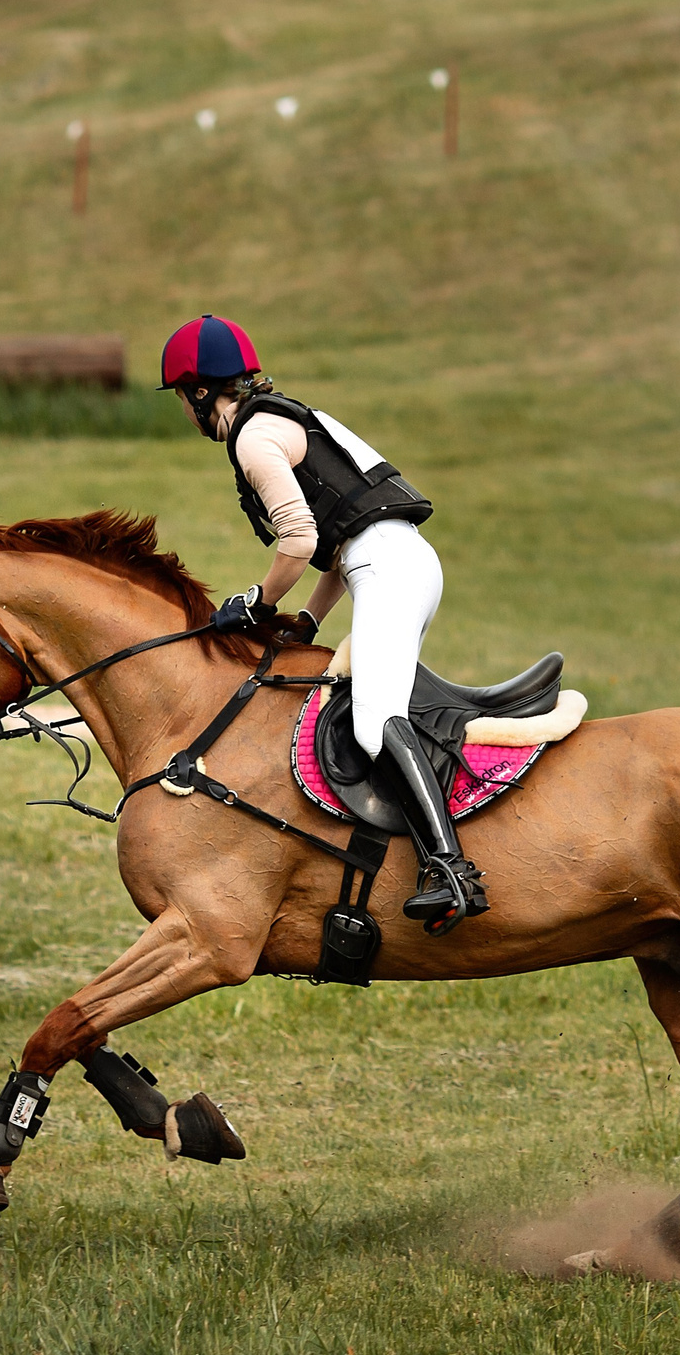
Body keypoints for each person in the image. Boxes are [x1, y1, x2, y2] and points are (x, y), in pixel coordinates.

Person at [158, 314, 488, 933]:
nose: (183, 411)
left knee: (373, 721)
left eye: (181, 397)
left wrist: (255, 599)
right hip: (393, 561)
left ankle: (451, 870)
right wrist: (306, 618)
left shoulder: (253, 440)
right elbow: (340, 544)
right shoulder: (283, 416)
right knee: (369, 704)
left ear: (200, 392)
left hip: (387, 569)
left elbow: (298, 538)